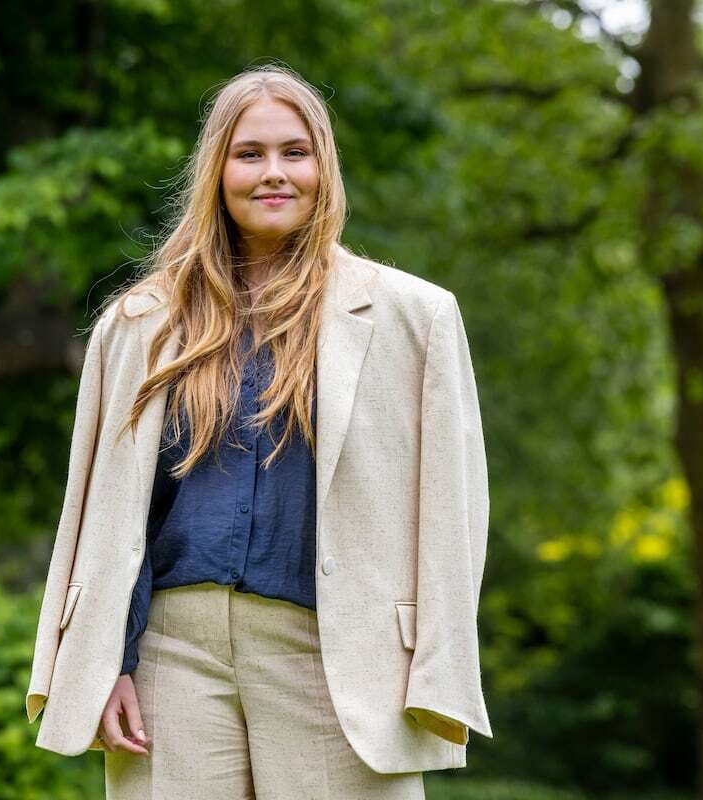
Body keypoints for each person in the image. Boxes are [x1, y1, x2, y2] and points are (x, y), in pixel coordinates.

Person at [25, 63, 492, 800]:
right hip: (170, 656)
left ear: (323, 168)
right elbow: (100, 513)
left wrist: (433, 673)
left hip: (340, 658)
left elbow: (454, 519)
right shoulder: (138, 323)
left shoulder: (416, 318)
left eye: (294, 153)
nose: (273, 173)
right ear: (218, 171)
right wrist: (104, 659)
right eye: (249, 154)